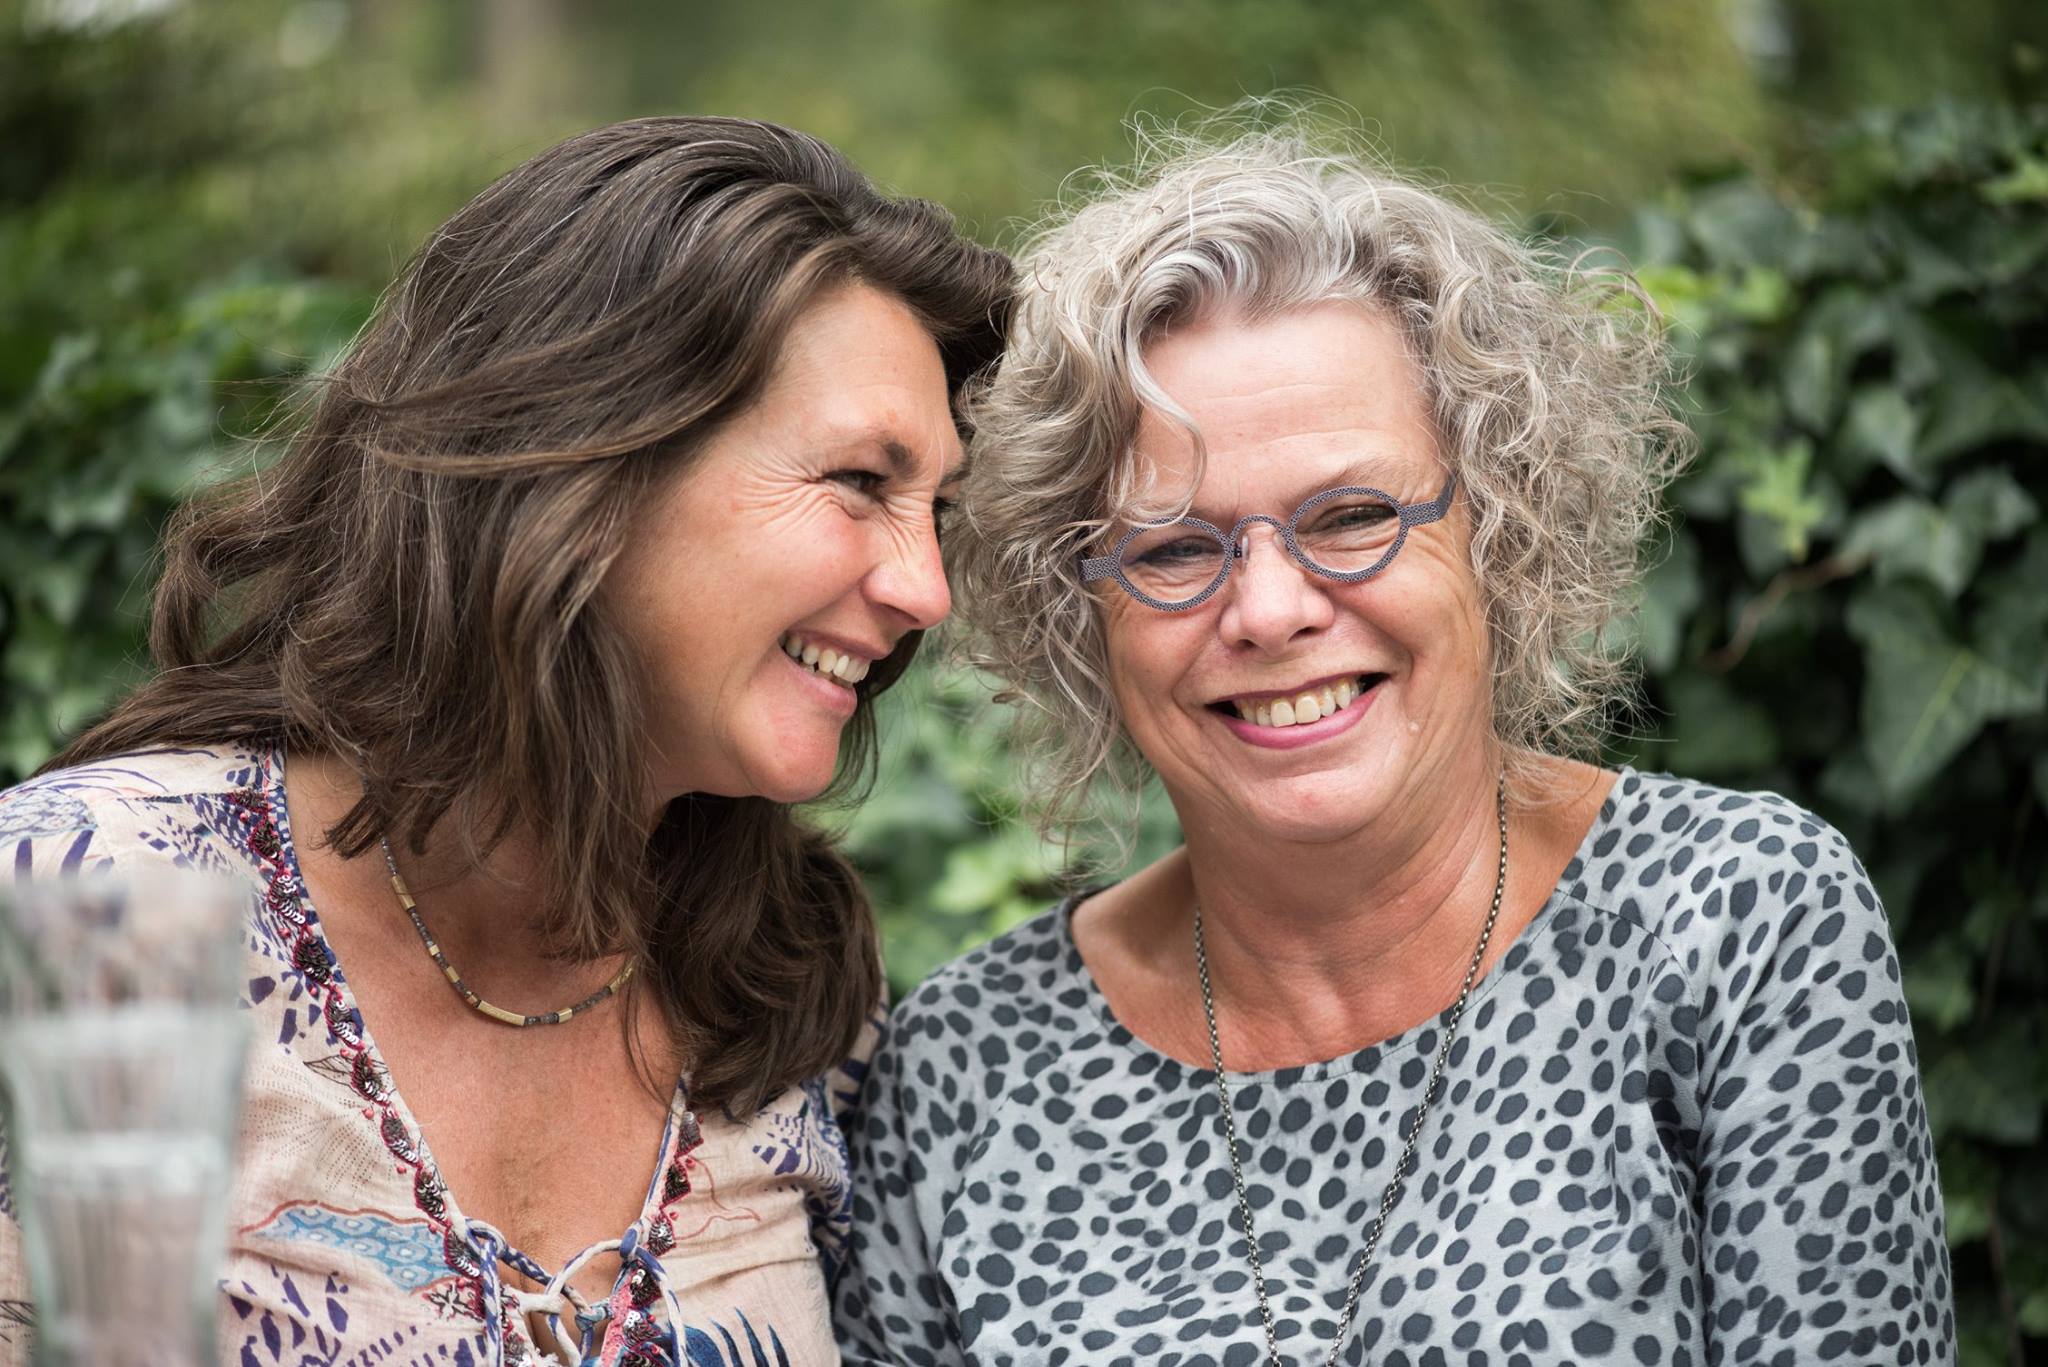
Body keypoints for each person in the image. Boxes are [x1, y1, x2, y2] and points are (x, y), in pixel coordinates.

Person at [835, 123, 1955, 1366]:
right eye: (1169, 549)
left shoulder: (1730, 921)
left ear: (1500, 524)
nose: (1269, 610)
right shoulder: (968, 1068)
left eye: (1352, 514)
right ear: (1077, 610)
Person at [0, 116, 1008, 1366]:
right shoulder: (114, 903)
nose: (925, 588)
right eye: (860, 481)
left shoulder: (781, 985)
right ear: (583, 458)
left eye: (935, 512)